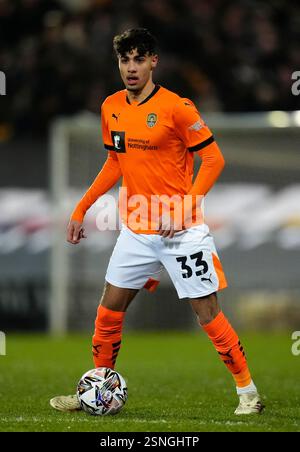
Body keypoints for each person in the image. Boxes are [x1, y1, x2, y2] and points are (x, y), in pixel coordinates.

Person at [50, 28, 264, 415]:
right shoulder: (111, 107)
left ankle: (247, 392)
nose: (131, 68)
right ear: (118, 63)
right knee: (109, 309)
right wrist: (81, 208)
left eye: (138, 59)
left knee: (207, 312)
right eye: (124, 59)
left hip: (183, 233)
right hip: (136, 231)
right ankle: (97, 390)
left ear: (153, 61)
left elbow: (214, 160)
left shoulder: (177, 108)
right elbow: (115, 162)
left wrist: (184, 208)